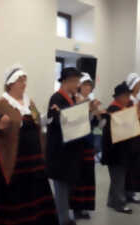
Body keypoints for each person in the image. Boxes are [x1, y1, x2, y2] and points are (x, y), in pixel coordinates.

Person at [0, 64, 59, 225]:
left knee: (35, 197)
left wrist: (50, 116)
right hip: (14, 161)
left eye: (25, 80)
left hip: (33, 161)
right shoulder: (2, 103)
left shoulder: (29, 103)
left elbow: (38, 121)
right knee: (16, 200)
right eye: (20, 80)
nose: (24, 83)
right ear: (10, 83)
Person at [46, 67, 84, 225]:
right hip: (60, 151)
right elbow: (56, 121)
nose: (77, 85)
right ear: (66, 82)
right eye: (75, 81)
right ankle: (63, 220)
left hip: (71, 150)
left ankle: (62, 216)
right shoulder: (56, 98)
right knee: (61, 187)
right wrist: (78, 109)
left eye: (78, 81)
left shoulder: (74, 99)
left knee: (67, 186)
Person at [101, 82, 136, 214]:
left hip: (120, 150)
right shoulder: (114, 110)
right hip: (115, 151)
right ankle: (120, 203)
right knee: (118, 177)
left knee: (117, 177)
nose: (128, 99)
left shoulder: (121, 108)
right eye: (126, 96)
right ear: (119, 97)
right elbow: (120, 129)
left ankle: (112, 200)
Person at [70, 73, 101, 220]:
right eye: (85, 85)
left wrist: (97, 113)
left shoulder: (90, 101)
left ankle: (84, 206)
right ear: (80, 86)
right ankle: (76, 207)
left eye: (90, 85)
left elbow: (95, 123)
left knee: (88, 174)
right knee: (79, 174)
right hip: (78, 142)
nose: (88, 88)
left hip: (88, 141)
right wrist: (90, 110)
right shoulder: (75, 100)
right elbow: (76, 119)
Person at [124, 73, 140, 204]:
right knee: (128, 167)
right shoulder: (128, 99)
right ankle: (126, 193)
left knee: (135, 166)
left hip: (137, 137)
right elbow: (126, 118)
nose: (139, 87)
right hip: (129, 138)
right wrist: (137, 115)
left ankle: (132, 192)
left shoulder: (137, 99)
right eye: (137, 84)